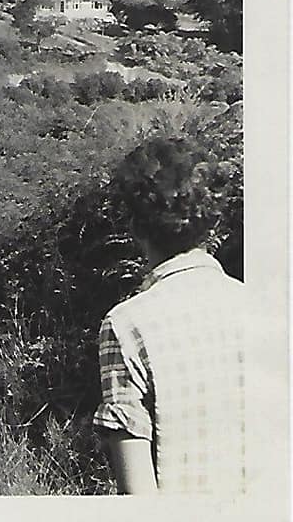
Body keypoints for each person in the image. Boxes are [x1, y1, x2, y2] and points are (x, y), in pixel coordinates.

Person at [94, 137, 247, 495]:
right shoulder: (262, 308)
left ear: (137, 227)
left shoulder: (125, 326)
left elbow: (140, 497)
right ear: (212, 222)